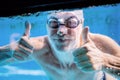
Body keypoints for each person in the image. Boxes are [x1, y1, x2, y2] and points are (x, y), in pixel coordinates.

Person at [0, 9, 120, 80]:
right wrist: (8, 52)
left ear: (81, 24)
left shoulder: (100, 44)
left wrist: (104, 61)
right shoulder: (35, 47)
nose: (61, 31)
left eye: (71, 22)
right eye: (53, 23)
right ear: (46, 25)